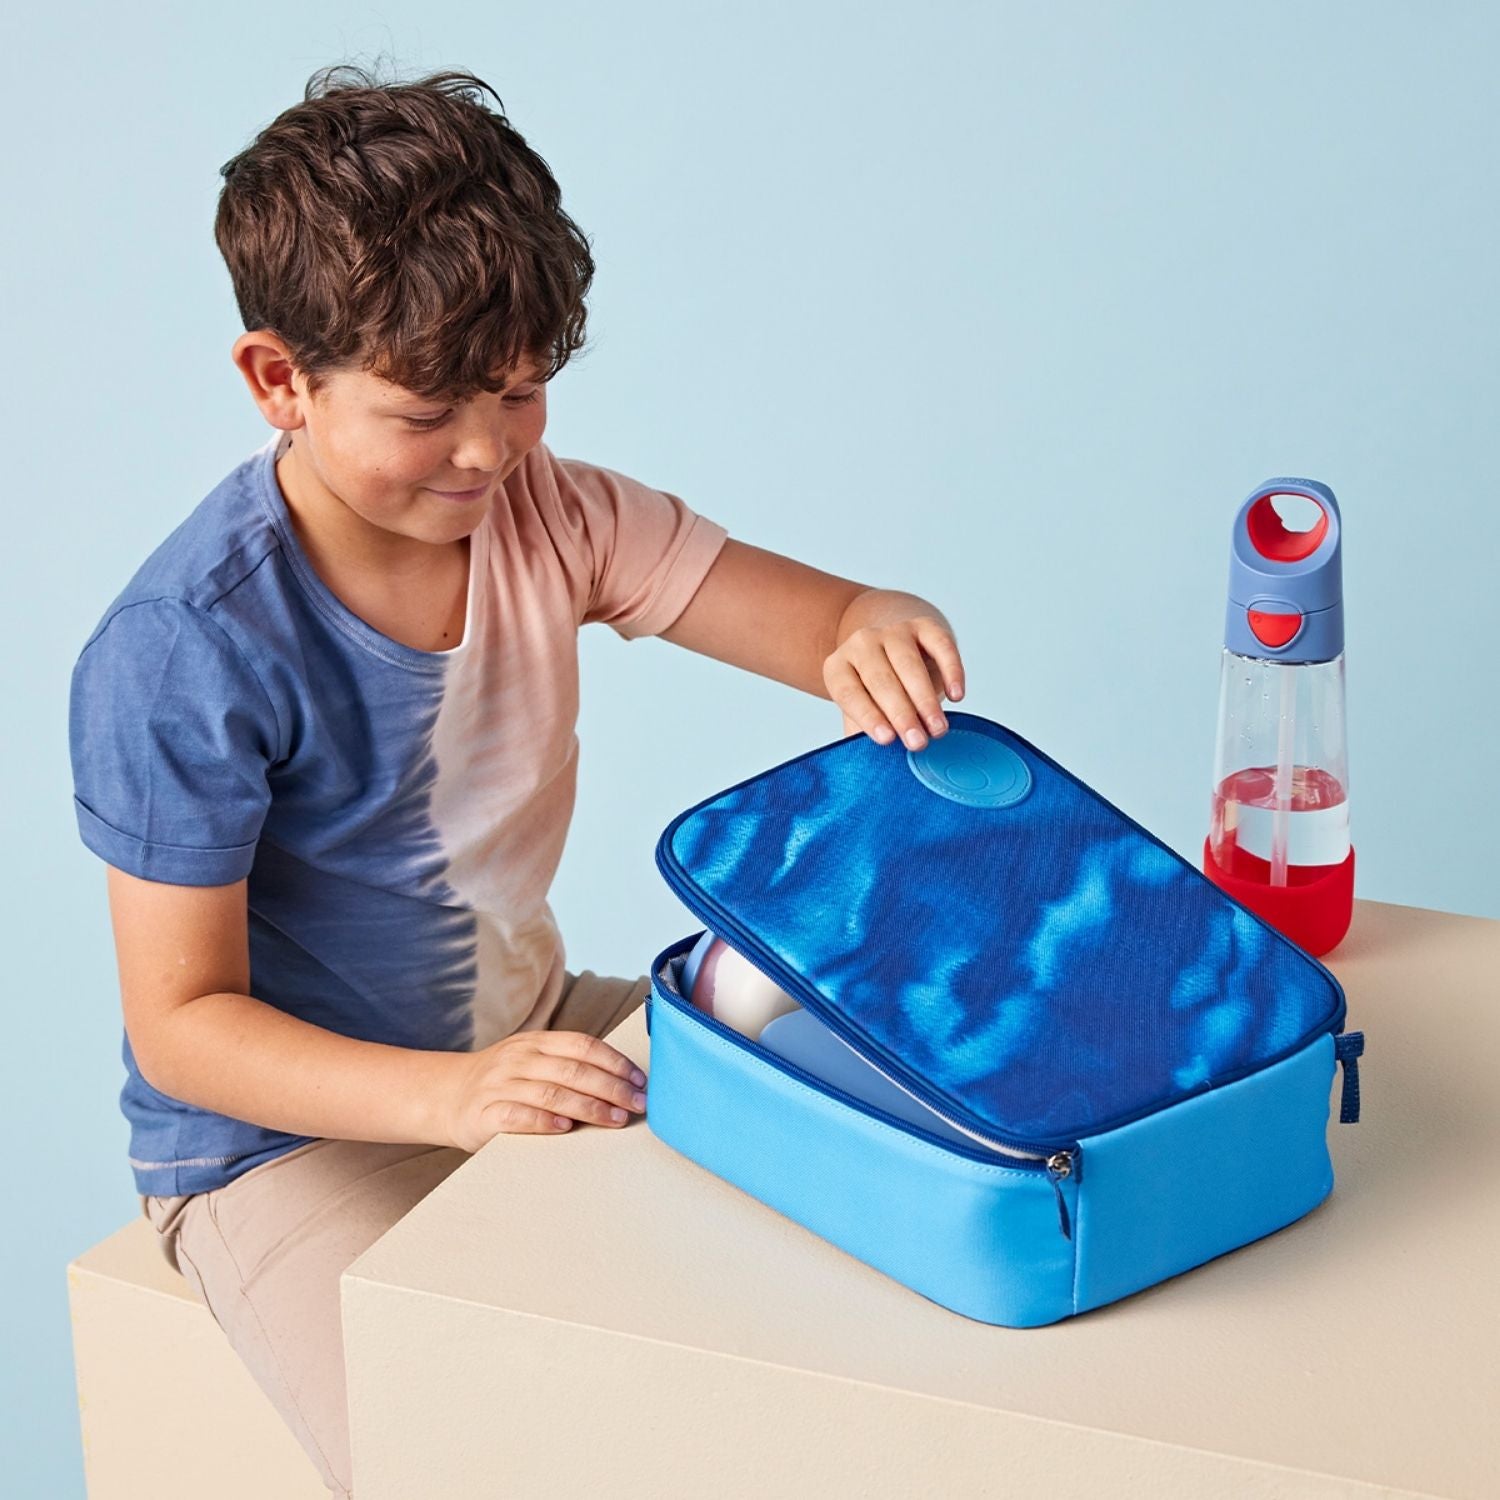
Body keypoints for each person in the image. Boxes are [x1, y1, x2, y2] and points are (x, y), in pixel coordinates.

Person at [66, 63, 967, 1498]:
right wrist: (458, 1098)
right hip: (282, 1147)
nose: (488, 449)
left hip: (530, 1034)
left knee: (896, 1106)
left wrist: (872, 626)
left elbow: (820, 620)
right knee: (464, 1454)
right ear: (280, 381)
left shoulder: (552, 513)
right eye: (429, 408)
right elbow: (183, 1032)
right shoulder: (185, 647)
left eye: (522, 390)